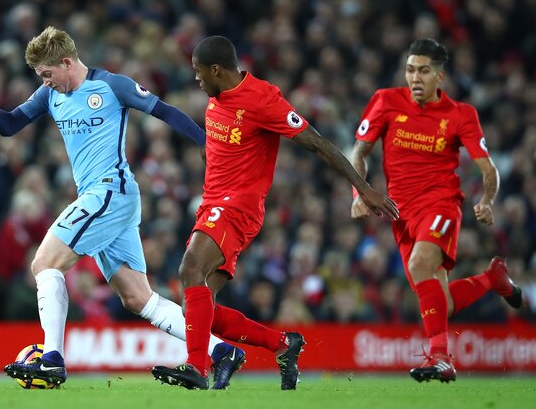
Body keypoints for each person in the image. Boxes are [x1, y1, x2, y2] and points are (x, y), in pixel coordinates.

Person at [0, 26, 245, 389]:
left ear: (65, 62)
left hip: (110, 191)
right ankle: (221, 352)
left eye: (47, 74)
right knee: (138, 298)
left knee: (44, 263)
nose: (45, 83)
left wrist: (206, 143)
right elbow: (10, 125)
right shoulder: (49, 94)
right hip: (105, 199)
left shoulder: (112, 85)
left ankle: (52, 359)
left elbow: (165, 111)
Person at [151, 36, 399, 390]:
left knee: (189, 268)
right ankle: (283, 345)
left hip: (238, 206)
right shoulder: (216, 97)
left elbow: (317, 143)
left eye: (198, 72)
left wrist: (362, 187)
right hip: (213, 203)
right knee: (196, 310)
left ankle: (196, 367)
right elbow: (224, 144)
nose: (196, 79)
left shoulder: (263, 99)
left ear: (216, 70)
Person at [350, 38, 523, 383]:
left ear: (440, 76)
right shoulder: (385, 101)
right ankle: (493, 279)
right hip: (400, 214)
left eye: (424, 71)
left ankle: (440, 358)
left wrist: (487, 200)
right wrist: (359, 192)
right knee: (441, 302)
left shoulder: (461, 115)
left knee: (419, 265)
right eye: (411, 69)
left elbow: (488, 169)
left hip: (441, 204)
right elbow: (359, 153)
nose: (415, 77)